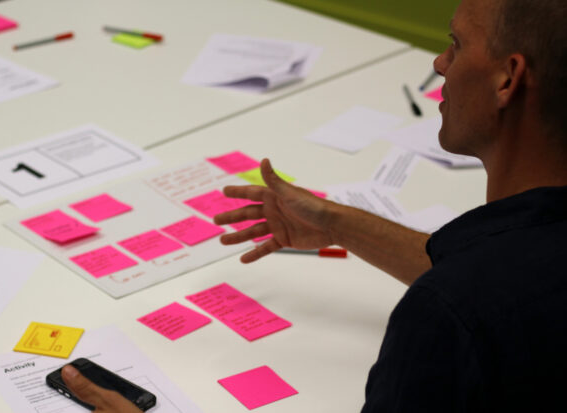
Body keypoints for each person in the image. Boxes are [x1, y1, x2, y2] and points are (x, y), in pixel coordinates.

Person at [59, 0, 567, 411]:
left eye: (456, 44)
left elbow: (476, 297)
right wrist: (338, 221)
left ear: (508, 79)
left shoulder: (445, 313)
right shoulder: (511, 267)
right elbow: (509, 277)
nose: (439, 63)